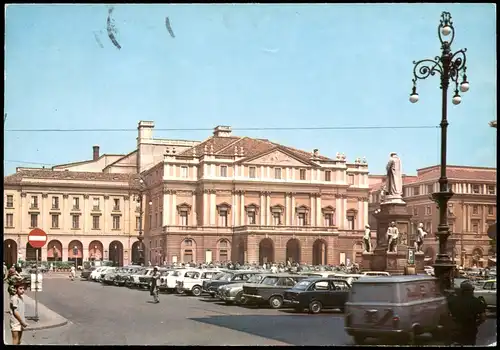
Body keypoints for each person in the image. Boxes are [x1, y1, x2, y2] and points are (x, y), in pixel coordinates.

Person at [448, 280, 486, 345]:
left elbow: (447, 315)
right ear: (471, 290)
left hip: (456, 328)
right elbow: (483, 318)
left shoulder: (452, 301)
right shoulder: (477, 302)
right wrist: (476, 324)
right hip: (470, 329)